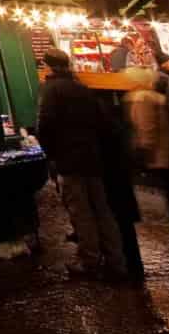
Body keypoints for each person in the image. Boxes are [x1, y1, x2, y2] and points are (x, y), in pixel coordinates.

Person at [36, 50, 123, 278]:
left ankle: (90, 261)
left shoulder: (52, 90)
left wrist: (50, 154)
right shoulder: (82, 88)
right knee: (102, 209)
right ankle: (115, 259)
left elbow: (45, 125)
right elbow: (103, 123)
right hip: (92, 158)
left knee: (81, 211)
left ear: (48, 66)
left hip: (68, 158)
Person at [124, 65, 169, 240]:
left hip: (161, 152)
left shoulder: (142, 99)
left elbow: (146, 127)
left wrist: (143, 151)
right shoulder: (158, 97)